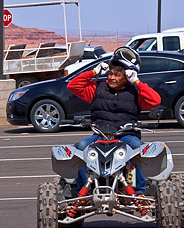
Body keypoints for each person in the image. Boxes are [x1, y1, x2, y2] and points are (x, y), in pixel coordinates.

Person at [67, 46, 161, 205]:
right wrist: (93, 72)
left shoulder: (135, 92)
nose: (111, 77)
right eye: (110, 73)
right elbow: (73, 86)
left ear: (127, 76)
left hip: (127, 136)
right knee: (80, 148)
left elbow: (155, 101)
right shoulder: (97, 89)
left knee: (141, 150)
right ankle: (83, 193)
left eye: (117, 75)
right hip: (100, 135)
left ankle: (139, 193)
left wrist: (137, 82)